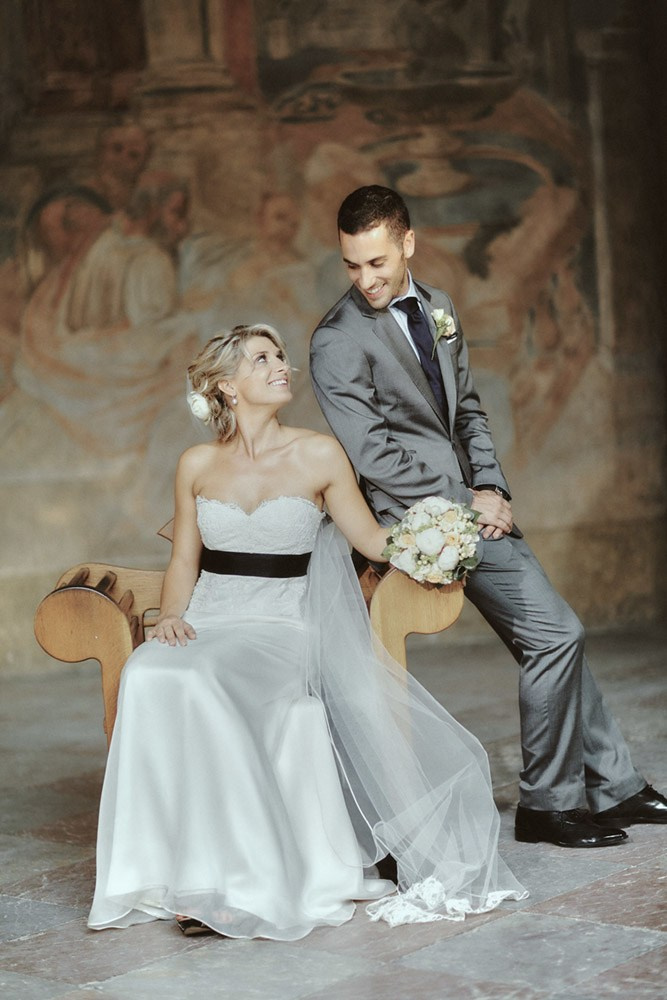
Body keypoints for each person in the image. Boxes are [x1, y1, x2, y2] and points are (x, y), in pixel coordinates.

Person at [88, 323, 526, 940]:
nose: (280, 366)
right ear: (226, 387)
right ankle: (166, 872)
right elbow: (184, 560)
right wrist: (174, 618)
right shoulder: (196, 464)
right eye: (261, 359)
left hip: (279, 630)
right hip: (209, 621)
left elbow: (372, 540)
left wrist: (443, 531)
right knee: (151, 672)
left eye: (280, 356)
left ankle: (234, 883)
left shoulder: (319, 454)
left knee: (205, 682)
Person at [309, 185, 667, 850]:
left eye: (378, 263)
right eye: (351, 265)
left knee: (554, 633)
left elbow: (466, 411)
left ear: (407, 243)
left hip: (474, 509)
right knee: (556, 633)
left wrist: (493, 488)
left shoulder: (438, 307)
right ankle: (547, 805)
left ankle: (614, 784)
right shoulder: (336, 340)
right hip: (414, 524)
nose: (365, 280)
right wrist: (468, 502)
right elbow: (374, 455)